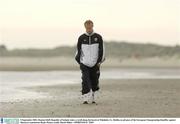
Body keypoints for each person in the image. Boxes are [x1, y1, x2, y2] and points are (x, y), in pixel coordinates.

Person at [75, 20, 105, 104]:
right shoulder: (81, 38)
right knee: (85, 79)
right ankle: (85, 97)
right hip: (84, 63)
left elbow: (102, 50)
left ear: (93, 26)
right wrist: (80, 62)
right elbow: (78, 51)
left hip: (95, 63)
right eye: (87, 28)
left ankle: (93, 95)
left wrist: (99, 62)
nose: (89, 29)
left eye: (90, 27)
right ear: (85, 27)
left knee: (95, 80)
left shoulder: (98, 37)